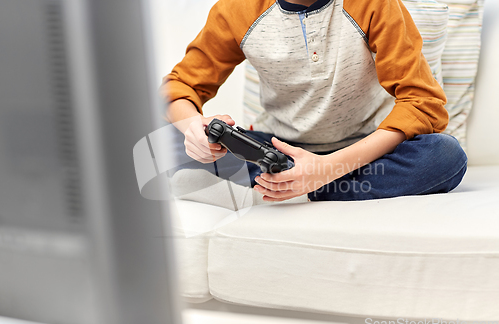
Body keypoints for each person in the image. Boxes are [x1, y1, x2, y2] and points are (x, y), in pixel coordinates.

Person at [162, 0, 467, 202]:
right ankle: (292, 179)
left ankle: (296, 184)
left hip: (366, 151)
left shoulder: (374, 4)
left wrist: (326, 169)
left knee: (445, 156)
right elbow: (179, 86)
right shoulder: (238, 9)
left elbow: (422, 102)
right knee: (163, 143)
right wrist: (193, 129)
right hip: (276, 147)